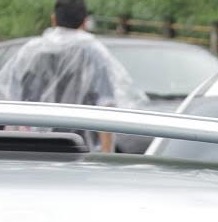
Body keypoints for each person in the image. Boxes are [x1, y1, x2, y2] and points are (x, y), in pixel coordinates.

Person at [0, 0, 142, 152]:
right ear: (85, 22)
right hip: (78, 149)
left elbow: (9, 96)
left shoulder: (30, 51)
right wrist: (106, 154)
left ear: (54, 19)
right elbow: (106, 105)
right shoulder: (94, 53)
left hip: (31, 146)